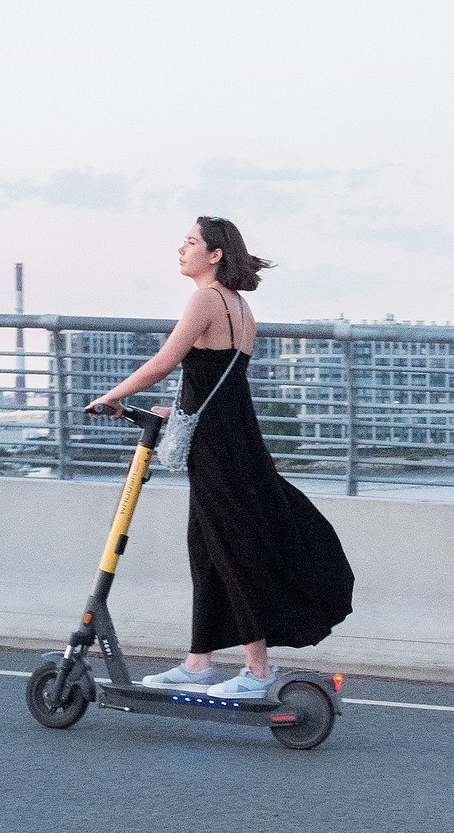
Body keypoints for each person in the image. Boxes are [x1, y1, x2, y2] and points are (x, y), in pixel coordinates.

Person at [86, 216, 354, 698]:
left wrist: (112, 395)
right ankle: (198, 662)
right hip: (234, 435)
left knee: (231, 552)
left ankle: (257, 671)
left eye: (190, 242)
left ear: (214, 255)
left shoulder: (206, 298)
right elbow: (219, 386)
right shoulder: (242, 307)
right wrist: (173, 410)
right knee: (207, 548)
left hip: (217, 447)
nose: (180, 249)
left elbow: (165, 362)